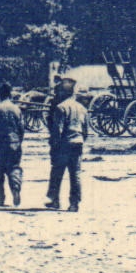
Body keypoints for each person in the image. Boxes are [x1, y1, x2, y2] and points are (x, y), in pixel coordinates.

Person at [45, 77, 89, 212]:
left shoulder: (60, 108)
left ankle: (55, 200)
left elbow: (57, 130)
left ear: (63, 93)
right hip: (78, 143)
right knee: (75, 174)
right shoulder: (82, 108)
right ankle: (74, 203)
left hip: (64, 144)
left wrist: (54, 146)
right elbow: (85, 130)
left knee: (57, 172)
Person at [0, 83, 24, 206]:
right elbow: (21, 128)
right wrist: (18, 141)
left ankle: (0, 198)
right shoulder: (17, 109)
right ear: (10, 94)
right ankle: (16, 189)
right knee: (14, 168)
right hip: (14, 143)